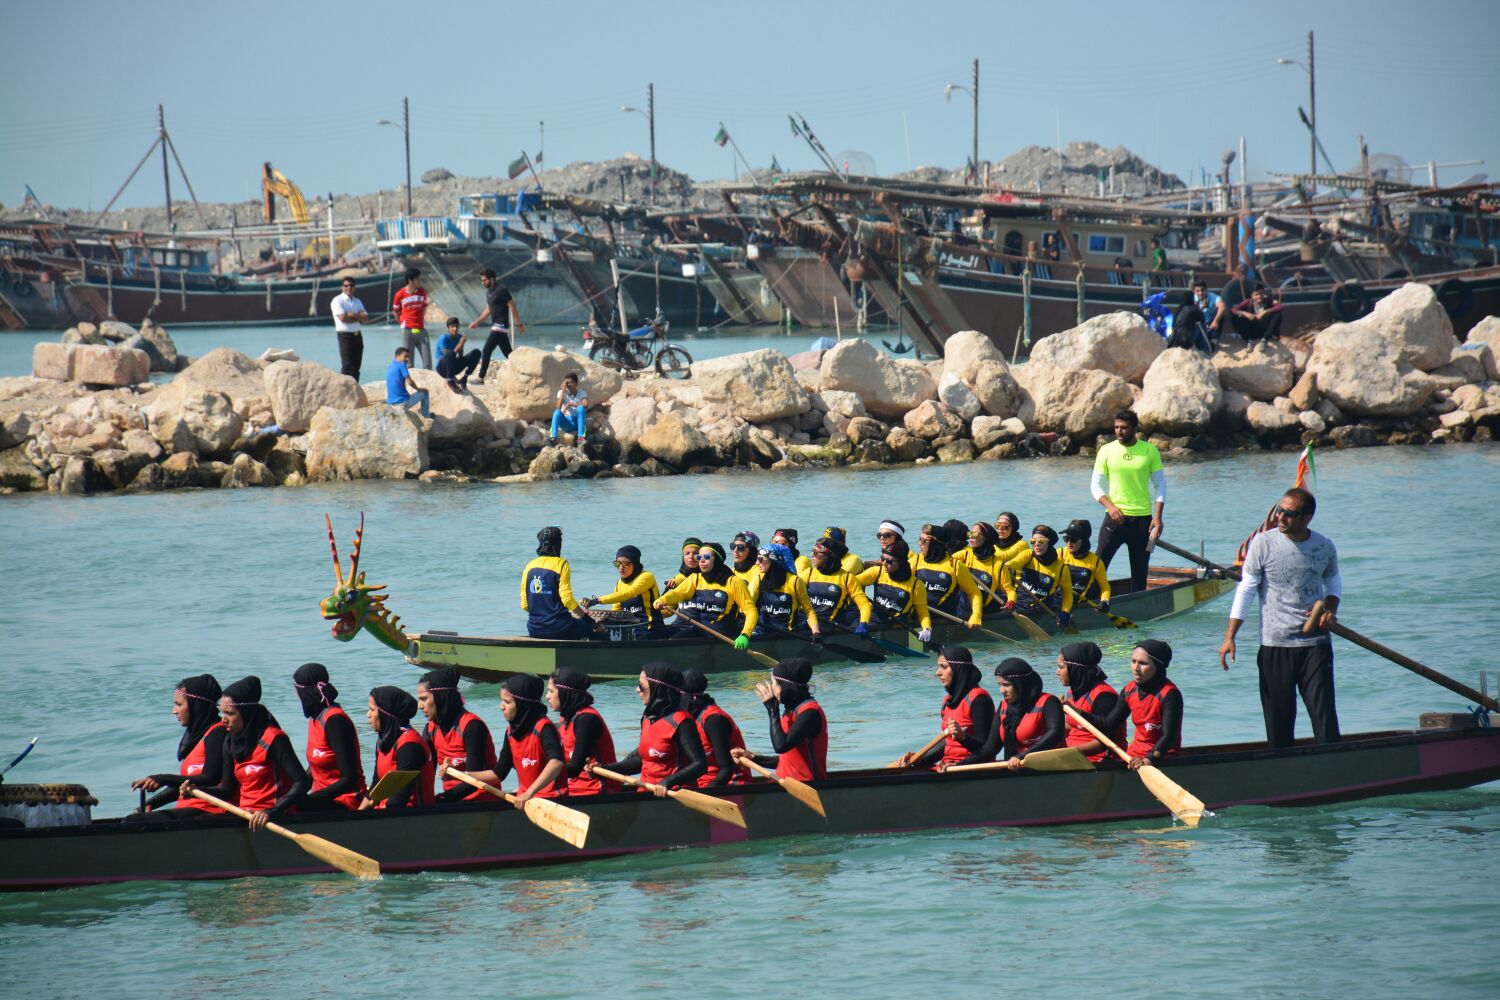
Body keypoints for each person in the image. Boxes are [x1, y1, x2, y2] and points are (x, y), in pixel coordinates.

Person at [1220, 487, 1341, 748]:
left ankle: (1334, 766)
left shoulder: (1324, 546)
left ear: (1307, 518)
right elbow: (1247, 588)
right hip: (1275, 645)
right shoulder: (1263, 543)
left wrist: (1330, 610)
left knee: (1324, 719)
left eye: (1289, 513)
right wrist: (1230, 636)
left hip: (1315, 646)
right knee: (1279, 724)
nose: (1281, 518)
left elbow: (1333, 584)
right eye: (1279, 510)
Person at [185, 676, 308, 831]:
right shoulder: (230, 742)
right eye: (223, 713)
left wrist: (272, 811)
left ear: (246, 713)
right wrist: (196, 790)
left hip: (273, 819)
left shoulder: (274, 739)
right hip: (244, 815)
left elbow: (302, 782)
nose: (223, 720)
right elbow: (227, 790)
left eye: (230, 713)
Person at [129, 674, 227, 820]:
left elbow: (210, 779)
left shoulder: (217, 733)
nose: (174, 711)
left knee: (132, 822)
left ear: (196, 705)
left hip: (208, 811)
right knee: (134, 817)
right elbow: (184, 785)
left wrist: (163, 779)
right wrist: (150, 804)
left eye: (179, 704)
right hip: (189, 809)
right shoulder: (197, 736)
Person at [1090, 409, 1165, 593]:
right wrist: (1110, 506)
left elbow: (1160, 484)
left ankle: (1137, 608)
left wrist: (1158, 518)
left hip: (1142, 522)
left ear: (1134, 428)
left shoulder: (1149, 450)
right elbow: (1095, 485)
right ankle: (1088, 603)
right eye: (1116, 427)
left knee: (1139, 574)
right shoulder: (1106, 451)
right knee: (1098, 567)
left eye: (1124, 428)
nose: (1119, 432)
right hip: (1114, 520)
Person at [461, 676, 566, 806]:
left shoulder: (544, 728)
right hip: (526, 801)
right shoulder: (511, 732)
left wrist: (529, 793)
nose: (501, 707)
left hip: (552, 801)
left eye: (507, 702)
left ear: (522, 704)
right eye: (502, 701)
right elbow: (497, 774)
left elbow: (556, 762)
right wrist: (461, 775)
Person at [603, 664, 708, 792]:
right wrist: (605, 769)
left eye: (642, 686)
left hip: (671, 795)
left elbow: (700, 765)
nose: (637, 689)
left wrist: (668, 782)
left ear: (657, 688)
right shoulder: (647, 718)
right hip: (646, 791)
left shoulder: (683, 722)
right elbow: (643, 760)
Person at [1088, 639, 1182, 768]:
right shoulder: (1129, 689)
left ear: (1158, 666)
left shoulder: (1170, 694)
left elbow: (1168, 736)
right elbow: (1109, 724)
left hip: (1161, 759)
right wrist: (1078, 713)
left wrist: (1148, 760)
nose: (1136, 668)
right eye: (1133, 662)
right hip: (1132, 758)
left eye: (1143, 663)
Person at [959, 657, 1064, 770]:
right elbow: (990, 749)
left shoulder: (1049, 703)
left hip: (1047, 769)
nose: (1002, 690)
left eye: (1006, 685)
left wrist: (1022, 756)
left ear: (1021, 684)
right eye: (999, 685)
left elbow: (1055, 735)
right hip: (1014, 768)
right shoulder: (1004, 706)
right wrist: (959, 765)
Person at [897, 647, 993, 770]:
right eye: (938, 667)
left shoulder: (979, 699)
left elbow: (987, 750)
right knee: (896, 766)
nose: (938, 672)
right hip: (947, 766)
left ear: (958, 670)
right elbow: (948, 743)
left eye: (944, 667)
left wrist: (963, 738)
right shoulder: (948, 701)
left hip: (969, 768)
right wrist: (920, 759)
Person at [732, 658, 827, 781]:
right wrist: (753, 757)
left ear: (785, 686)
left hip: (806, 786)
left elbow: (780, 746)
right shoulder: (791, 710)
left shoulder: (810, 713)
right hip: (783, 784)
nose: (771, 688)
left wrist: (772, 710)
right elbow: (786, 759)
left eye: (773, 683)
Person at [293, 662, 367, 812]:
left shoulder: (335, 721)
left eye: (297, 691)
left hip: (346, 801)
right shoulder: (314, 719)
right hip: (322, 799)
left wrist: (311, 800)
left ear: (305, 693)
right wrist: (291, 795)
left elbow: (349, 779)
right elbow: (314, 769)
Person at [655, 541, 758, 645]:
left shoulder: (734, 582)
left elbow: (751, 611)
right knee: (664, 637)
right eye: (699, 557)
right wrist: (663, 600)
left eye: (707, 557)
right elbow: (678, 593)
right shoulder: (695, 578)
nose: (702, 561)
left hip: (724, 632)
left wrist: (745, 635)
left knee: (676, 641)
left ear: (717, 559)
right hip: (701, 628)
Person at [418, 667, 497, 802]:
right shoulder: (430, 729)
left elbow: (474, 781)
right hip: (453, 801)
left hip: (482, 800)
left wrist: (442, 799)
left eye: (424, 699)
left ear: (440, 697)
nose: (420, 705)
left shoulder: (472, 727)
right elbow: (425, 775)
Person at [360, 685, 434, 809]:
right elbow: (376, 784)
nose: (368, 715)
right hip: (389, 813)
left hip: (413, 814)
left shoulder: (409, 745)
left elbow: (402, 795)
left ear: (385, 714)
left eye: (372, 710)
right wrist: (359, 813)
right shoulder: (382, 742)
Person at [549, 668, 618, 796]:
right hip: (573, 786)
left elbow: (575, 768)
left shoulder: (586, 720)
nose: (547, 696)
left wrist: (540, 772)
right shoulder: (566, 717)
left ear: (565, 692)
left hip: (596, 790)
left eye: (551, 691)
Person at [521, 526, 595, 641]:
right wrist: (590, 621)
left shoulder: (529, 566)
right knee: (594, 629)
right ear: (558, 544)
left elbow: (525, 605)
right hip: (560, 628)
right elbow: (567, 600)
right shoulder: (562, 564)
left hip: (534, 629)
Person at [1055, 642, 1124, 763]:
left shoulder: (1105, 697)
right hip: (1073, 758)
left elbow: (1106, 741)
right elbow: (1072, 725)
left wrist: (1067, 753)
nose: (1057, 672)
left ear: (1075, 669)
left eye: (1061, 667)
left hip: (1100, 761)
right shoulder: (1073, 691)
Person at [680, 669, 749, 788]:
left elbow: (726, 770)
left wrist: (707, 793)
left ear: (687, 696)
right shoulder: (691, 717)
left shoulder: (714, 720)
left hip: (730, 785)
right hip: (703, 784)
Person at [855, 545, 932, 642]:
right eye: (883, 559)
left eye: (889, 561)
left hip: (896, 626)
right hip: (872, 620)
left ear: (901, 562)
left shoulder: (916, 585)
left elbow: (922, 612)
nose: (884, 563)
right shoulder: (877, 572)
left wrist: (927, 628)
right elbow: (851, 583)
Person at [1001, 525, 1074, 625]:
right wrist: (1005, 568)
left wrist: (1065, 612)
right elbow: (1011, 564)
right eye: (1033, 541)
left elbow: (1067, 595)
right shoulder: (1028, 555)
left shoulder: (1061, 568)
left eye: (1040, 541)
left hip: (1041, 610)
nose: (1036, 544)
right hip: (1019, 605)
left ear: (1050, 542)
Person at [801, 535, 874, 635]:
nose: (811, 555)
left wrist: (863, 623)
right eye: (812, 551)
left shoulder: (847, 578)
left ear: (829, 556)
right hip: (807, 622)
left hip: (830, 626)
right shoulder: (808, 574)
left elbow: (864, 604)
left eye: (816, 552)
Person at [914, 523, 983, 628]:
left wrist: (976, 616)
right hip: (917, 618)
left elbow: (974, 592)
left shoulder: (955, 565)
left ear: (936, 543)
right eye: (919, 539)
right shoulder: (916, 560)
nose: (920, 544)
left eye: (924, 541)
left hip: (943, 621)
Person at [581, 545, 662, 632]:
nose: (621, 567)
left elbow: (629, 593)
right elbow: (616, 611)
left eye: (626, 564)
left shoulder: (646, 577)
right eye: (618, 563)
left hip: (650, 628)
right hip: (630, 628)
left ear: (635, 564)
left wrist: (597, 600)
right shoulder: (619, 583)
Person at [748, 543, 820, 638]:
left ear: (775, 560)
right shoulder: (757, 579)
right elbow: (747, 606)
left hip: (788, 632)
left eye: (760, 559)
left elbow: (808, 610)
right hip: (763, 630)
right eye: (757, 559)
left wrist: (816, 633)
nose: (757, 563)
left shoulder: (795, 581)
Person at [468, 267, 524, 384]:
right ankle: (523, 371)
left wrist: (518, 323)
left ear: (492, 279)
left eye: (484, 280)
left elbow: (511, 305)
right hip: (497, 327)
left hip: (500, 325)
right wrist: (477, 322)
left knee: (486, 350)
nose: (482, 283)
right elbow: (489, 309)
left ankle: (480, 377)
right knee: (508, 353)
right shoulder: (489, 293)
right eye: (481, 281)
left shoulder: (501, 290)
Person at [956, 521, 1008, 617]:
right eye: (970, 533)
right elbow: (946, 562)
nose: (971, 536)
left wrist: (1011, 601)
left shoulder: (998, 564)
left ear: (986, 537)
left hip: (985, 612)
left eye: (975, 534)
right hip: (962, 611)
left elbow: (1009, 589)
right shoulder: (965, 554)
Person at [1060, 519, 1111, 615]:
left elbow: (1105, 587)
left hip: (1079, 605)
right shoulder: (1060, 554)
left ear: (1083, 540)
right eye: (1066, 538)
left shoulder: (1095, 562)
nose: (1069, 543)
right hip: (1058, 602)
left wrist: (1105, 601)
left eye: (1073, 540)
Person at [392, 267, 432, 368]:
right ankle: (408, 382)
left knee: (427, 362)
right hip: (407, 329)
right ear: (410, 280)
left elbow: (423, 308)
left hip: (421, 329)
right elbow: (396, 311)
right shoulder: (399, 294)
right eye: (417, 279)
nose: (419, 281)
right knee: (408, 362)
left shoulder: (422, 292)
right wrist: (401, 323)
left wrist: (425, 307)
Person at [330, 277, 368, 380]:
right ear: (342, 287)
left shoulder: (357, 301)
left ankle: (355, 388)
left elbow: (365, 319)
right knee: (347, 365)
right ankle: (344, 390)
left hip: (357, 335)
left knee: (356, 366)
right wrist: (358, 317)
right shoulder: (337, 300)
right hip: (345, 336)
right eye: (346, 285)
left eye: (351, 285)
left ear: (354, 287)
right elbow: (343, 318)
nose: (349, 287)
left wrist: (352, 315)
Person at [434, 317, 480, 391]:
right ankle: (450, 381)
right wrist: (460, 343)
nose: (455, 328)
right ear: (448, 328)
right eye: (452, 326)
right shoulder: (443, 338)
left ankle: (464, 378)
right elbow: (447, 355)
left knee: (476, 352)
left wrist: (461, 345)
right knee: (451, 353)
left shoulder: (459, 337)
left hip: (453, 367)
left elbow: (460, 356)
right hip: (442, 369)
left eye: (456, 326)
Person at [385, 346, 430, 418]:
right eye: (405, 356)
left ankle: (422, 412)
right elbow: (409, 382)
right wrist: (419, 389)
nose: (407, 359)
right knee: (425, 392)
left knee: (406, 393)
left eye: (408, 357)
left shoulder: (390, 367)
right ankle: (426, 416)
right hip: (402, 404)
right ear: (397, 356)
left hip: (390, 403)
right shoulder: (402, 365)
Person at [549, 371, 588, 444]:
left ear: (576, 383)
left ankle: (580, 438)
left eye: (571, 382)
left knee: (580, 408)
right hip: (566, 423)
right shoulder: (562, 392)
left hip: (577, 422)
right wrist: (563, 390)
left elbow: (585, 405)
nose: (569, 385)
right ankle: (553, 437)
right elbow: (558, 408)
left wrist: (571, 403)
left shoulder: (582, 393)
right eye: (567, 383)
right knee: (557, 412)